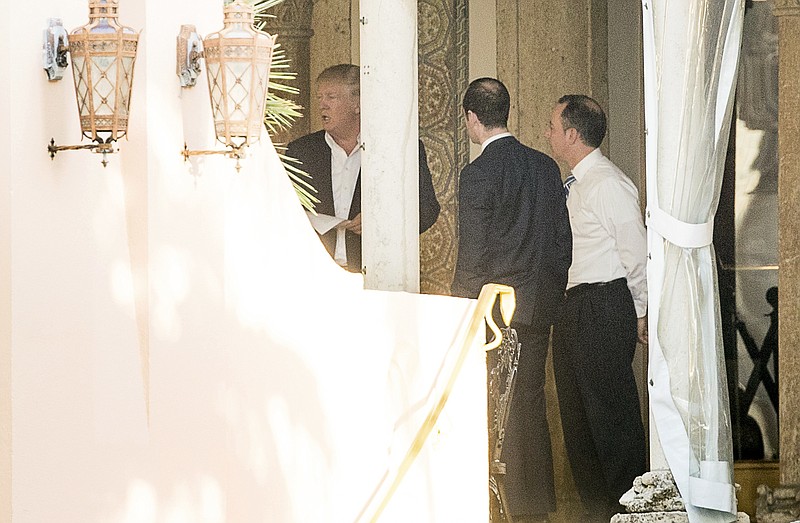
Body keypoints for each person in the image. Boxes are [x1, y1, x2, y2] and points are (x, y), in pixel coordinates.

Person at [451, 78, 572, 523]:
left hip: (493, 315)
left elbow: (474, 253)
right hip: (538, 311)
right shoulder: (545, 168)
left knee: (495, 412)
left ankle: (502, 510)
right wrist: (548, 301)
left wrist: (462, 312)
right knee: (530, 408)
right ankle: (537, 510)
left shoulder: (478, 173)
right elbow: (562, 244)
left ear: (471, 117)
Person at [545, 94, 647, 522]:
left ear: (572, 134)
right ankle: (596, 515)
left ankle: (631, 511)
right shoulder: (577, 183)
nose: (547, 134)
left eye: (552, 127)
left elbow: (636, 253)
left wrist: (642, 310)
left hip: (604, 305)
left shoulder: (608, 183)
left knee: (611, 419)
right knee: (578, 423)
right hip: (572, 308)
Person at [286, 64, 440, 273]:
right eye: (320, 97)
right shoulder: (301, 151)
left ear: (357, 104)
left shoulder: (396, 149)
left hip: (378, 275)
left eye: (331, 97)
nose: (323, 105)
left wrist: (380, 222)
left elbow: (426, 209)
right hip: (315, 274)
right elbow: (282, 210)